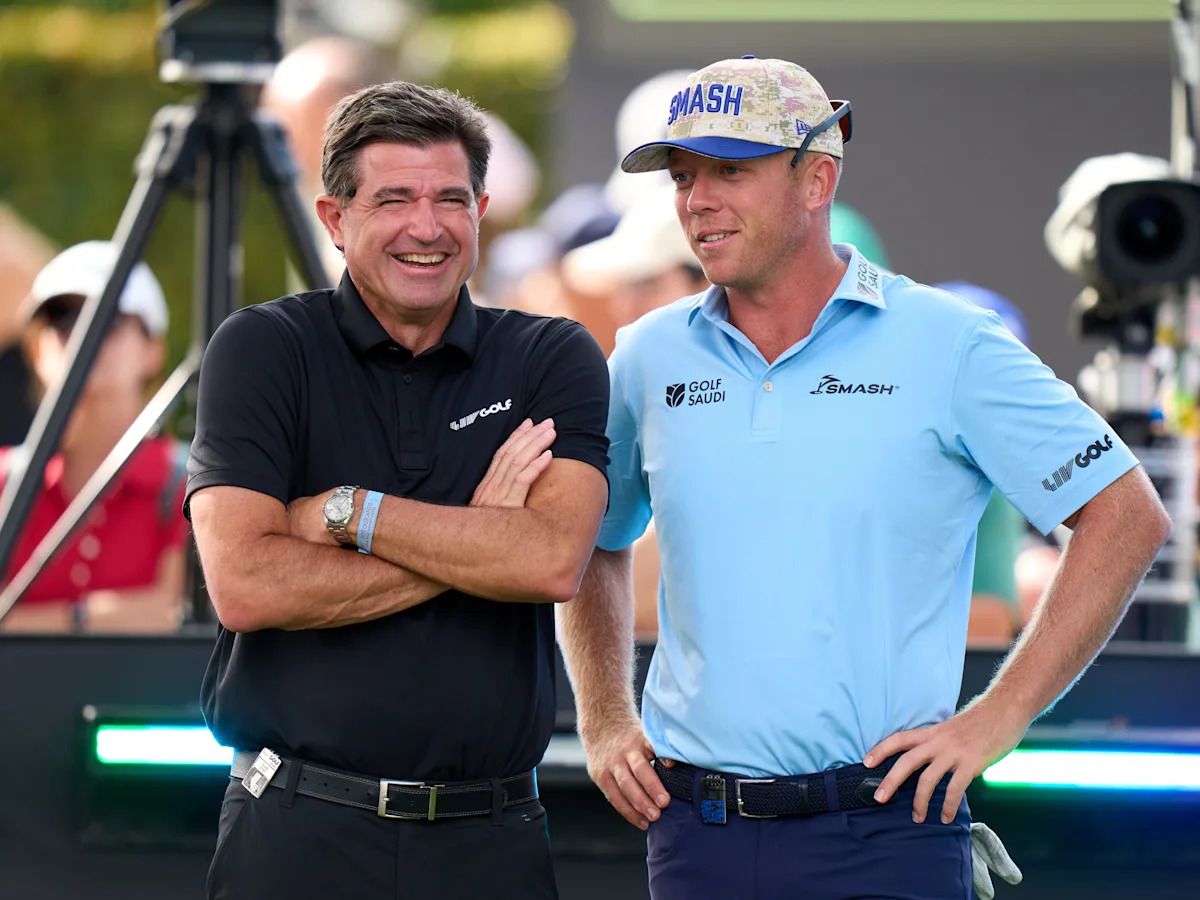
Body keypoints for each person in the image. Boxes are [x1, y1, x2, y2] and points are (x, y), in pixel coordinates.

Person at [556, 56, 1170, 899]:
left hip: (887, 830)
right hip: (699, 834)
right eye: (684, 175)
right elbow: (592, 539)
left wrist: (999, 718)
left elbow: (1126, 515)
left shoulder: (949, 341)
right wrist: (603, 718)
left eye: (730, 171)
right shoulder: (647, 355)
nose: (696, 199)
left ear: (818, 180)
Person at [186, 80, 610, 900]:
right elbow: (245, 584)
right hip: (297, 829)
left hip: (490, 841)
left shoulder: (551, 356)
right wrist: (480, 537)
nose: (428, 227)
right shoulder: (264, 348)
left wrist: (350, 513)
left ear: (482, 210)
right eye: (393, 200)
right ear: (334, 218)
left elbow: (552, 562)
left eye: (451, 199)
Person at [0, 241, 186, 633]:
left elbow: (176, 614)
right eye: (61, 321)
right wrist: (112, 617)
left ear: (153, 349)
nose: (83, 337)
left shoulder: (193, 482)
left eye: (108, 320)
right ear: (36, 353)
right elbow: (158, 615)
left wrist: (31, 622)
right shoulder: (4, 483)